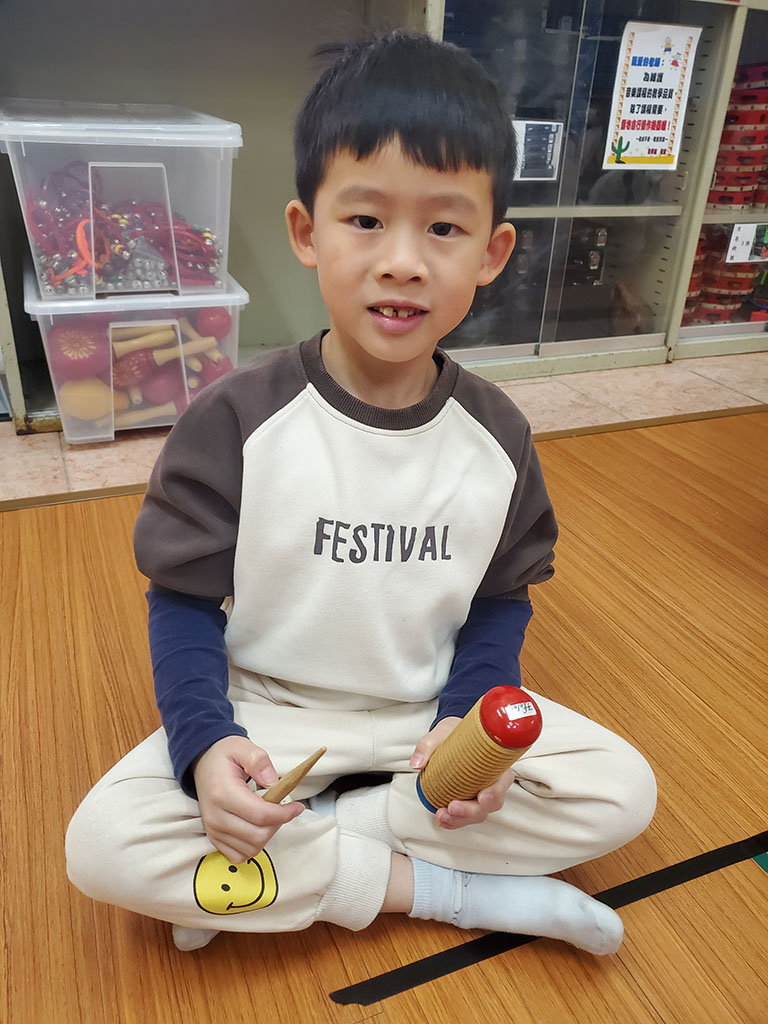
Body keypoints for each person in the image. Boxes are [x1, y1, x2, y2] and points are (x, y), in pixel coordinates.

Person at [66, 30, 656, 954]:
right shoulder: (236, 421)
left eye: (444, 229)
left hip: (422, 726)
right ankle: (450, 891)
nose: (403, 261)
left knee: (622, 790)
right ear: (308, 232)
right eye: (367, 220)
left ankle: (280, 861)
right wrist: (206, 745)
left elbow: (499, 602)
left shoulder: (498, 437)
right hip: (268, 716)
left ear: (493, 252)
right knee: (101, 846)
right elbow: (180, 601)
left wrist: (467, 723)